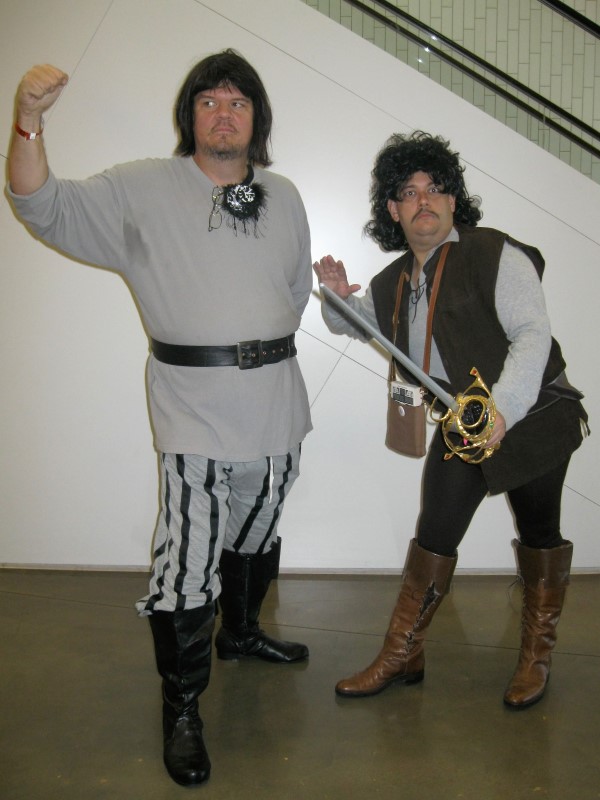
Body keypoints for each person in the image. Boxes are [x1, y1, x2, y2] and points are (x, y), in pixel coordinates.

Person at [7, 50, 313, 787]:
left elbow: (294, 290)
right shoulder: (142, 187)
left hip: (277, 403)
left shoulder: (284, 195)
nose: (223, 113)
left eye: (238, 102)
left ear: (257, 119)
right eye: (209, 101)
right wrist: (27, 122)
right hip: (193, 410)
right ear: (190, 116)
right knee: (187, 563)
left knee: (257, 528)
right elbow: (40, 203)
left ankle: (241, 633)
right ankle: (182, 709)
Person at [314, 131, 588, 710]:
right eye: (409, 193)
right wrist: (336, 298)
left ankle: (536, 655)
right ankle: (402, 653)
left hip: (534, 414)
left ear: (453, 200)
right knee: (435, 532)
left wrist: (503, 410)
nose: (424, 201)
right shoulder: (394, 281)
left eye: (435, 188)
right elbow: (361, 323)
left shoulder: (494, 253)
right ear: (393, 210)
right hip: (464, 423)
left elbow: (532, 334)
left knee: (539, 534)